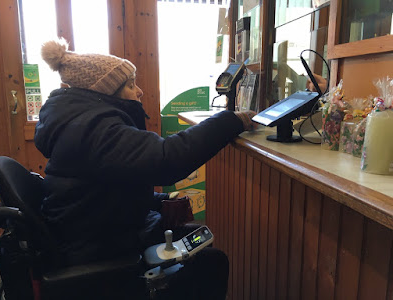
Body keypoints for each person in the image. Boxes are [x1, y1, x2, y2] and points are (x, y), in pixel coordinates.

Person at [35, 39, 257, 299]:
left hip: (96, 233)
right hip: (102, 251)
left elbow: (101, 189)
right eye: (130, 85)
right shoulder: (95, 129)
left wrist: (159, 200)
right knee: (211, 261)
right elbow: (166, 159)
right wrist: (230, 120)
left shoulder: (78, 121)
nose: (139, 91)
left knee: (197, 240)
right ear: (106, 92)